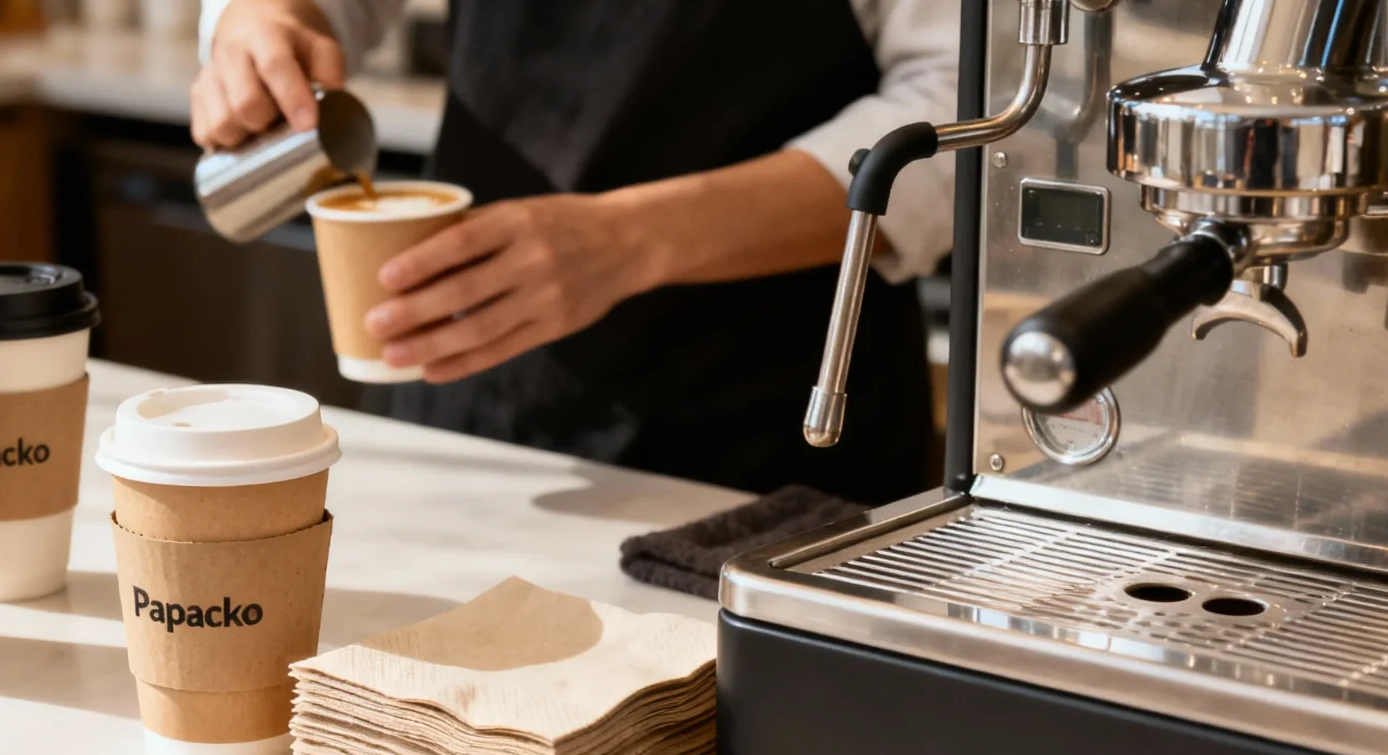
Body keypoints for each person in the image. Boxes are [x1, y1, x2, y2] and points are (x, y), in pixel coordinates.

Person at [191, 0, 956, 504]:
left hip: (769, 439)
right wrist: (265, 19)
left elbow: (962, 116)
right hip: (466, 411)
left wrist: (633, 238)